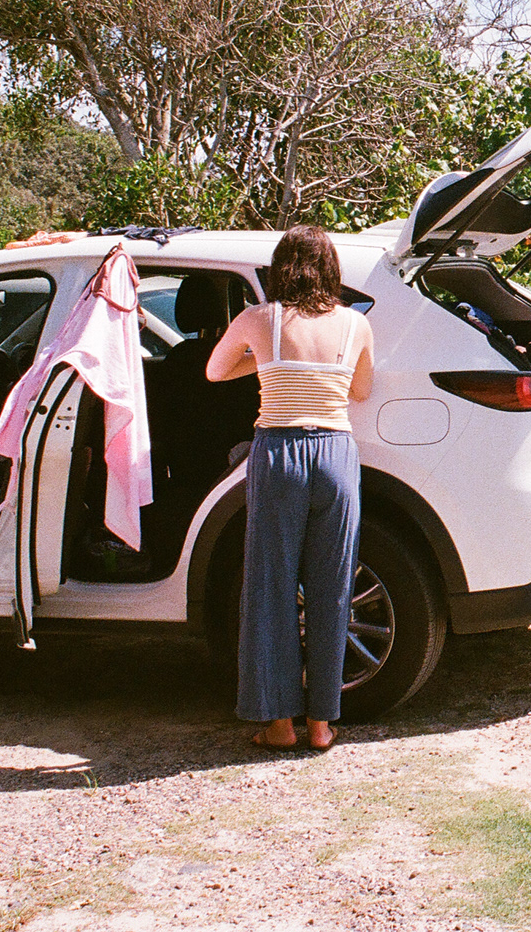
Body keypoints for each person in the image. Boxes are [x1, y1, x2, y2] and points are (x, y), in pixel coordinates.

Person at [206, 225, 375, 751]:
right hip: (335, 454)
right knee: (333, 586)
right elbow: (362, 390)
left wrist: (267, 363)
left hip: (278, 452)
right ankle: (322, 724)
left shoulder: (260, 319)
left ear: (281, 268)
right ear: (331, 270)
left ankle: (278, 723)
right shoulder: (355, 324)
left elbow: (214, 371)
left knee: (270, 586)